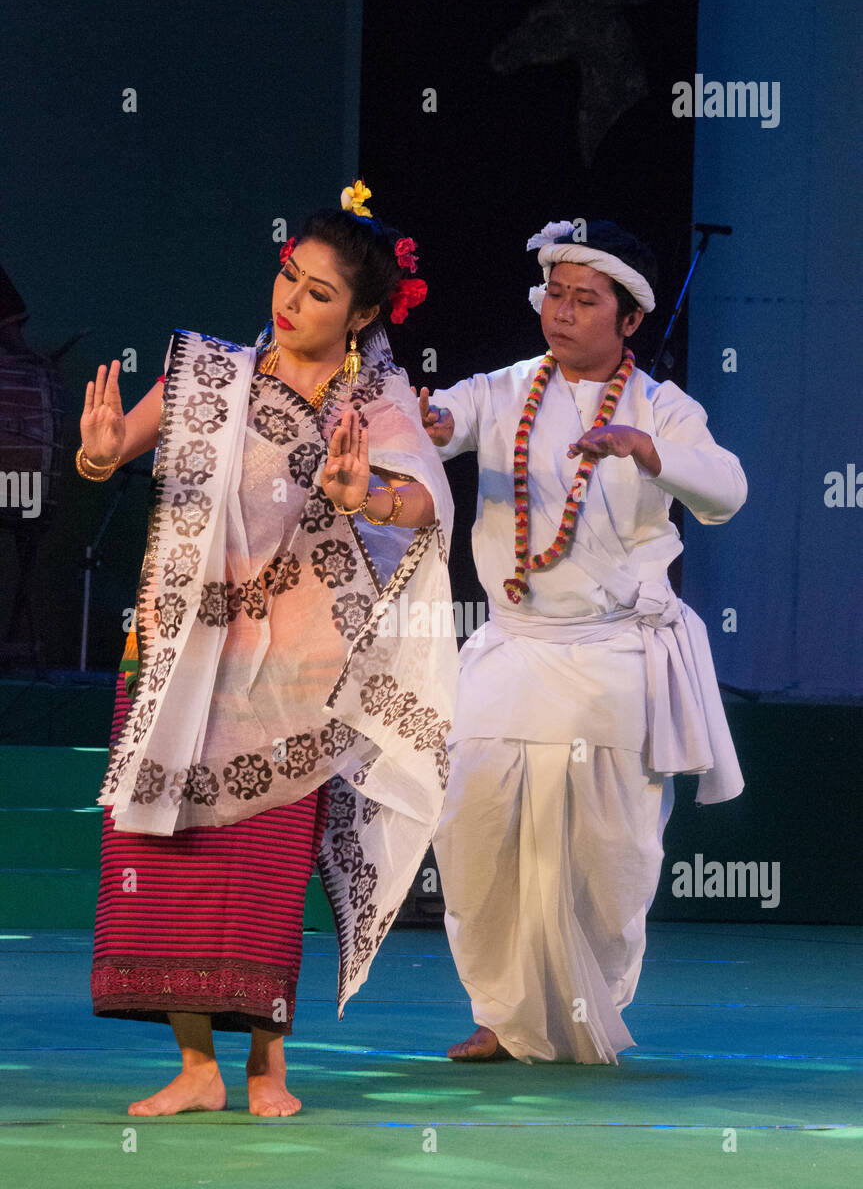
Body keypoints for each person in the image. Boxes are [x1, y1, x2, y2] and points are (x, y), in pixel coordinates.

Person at [80, 182, 458, 1115]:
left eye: (318, 294)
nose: (290, 302)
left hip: (293, 674)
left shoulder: (375, 404)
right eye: (289, 278)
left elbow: (421, 506)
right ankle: (198, 1067)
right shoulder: (211, 378)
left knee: (260, 867)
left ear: (364, 315)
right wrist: (95, 453)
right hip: (177, 656)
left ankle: (266, 1067)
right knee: (162, 857)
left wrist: (366, 491)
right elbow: (119, 448)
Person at [419, 218, 746, 1065]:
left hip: (610, 657)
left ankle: (589, 1002)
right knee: (474, 827)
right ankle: (500, 1010)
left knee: (608, 850)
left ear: (629, 318)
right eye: (554, 296)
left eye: (584, 300)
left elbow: (726, 490)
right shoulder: (503, 388)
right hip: (514, 644)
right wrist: (417, 418)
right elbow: (441, 421)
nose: (561, 314)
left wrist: (646, 451)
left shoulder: (663, 407)